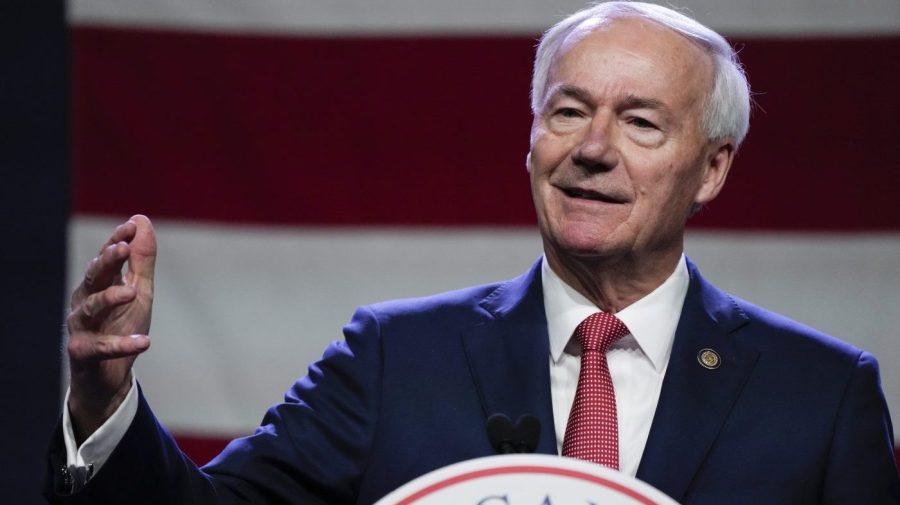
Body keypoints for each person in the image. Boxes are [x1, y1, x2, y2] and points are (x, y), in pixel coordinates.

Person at [47, 2, 899, 504]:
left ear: (712, 169)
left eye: (640, 122)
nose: (592, 148)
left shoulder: (822, 398)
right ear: (531, 142)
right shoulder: (395, 358)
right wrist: (104, 399)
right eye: (568, 112)